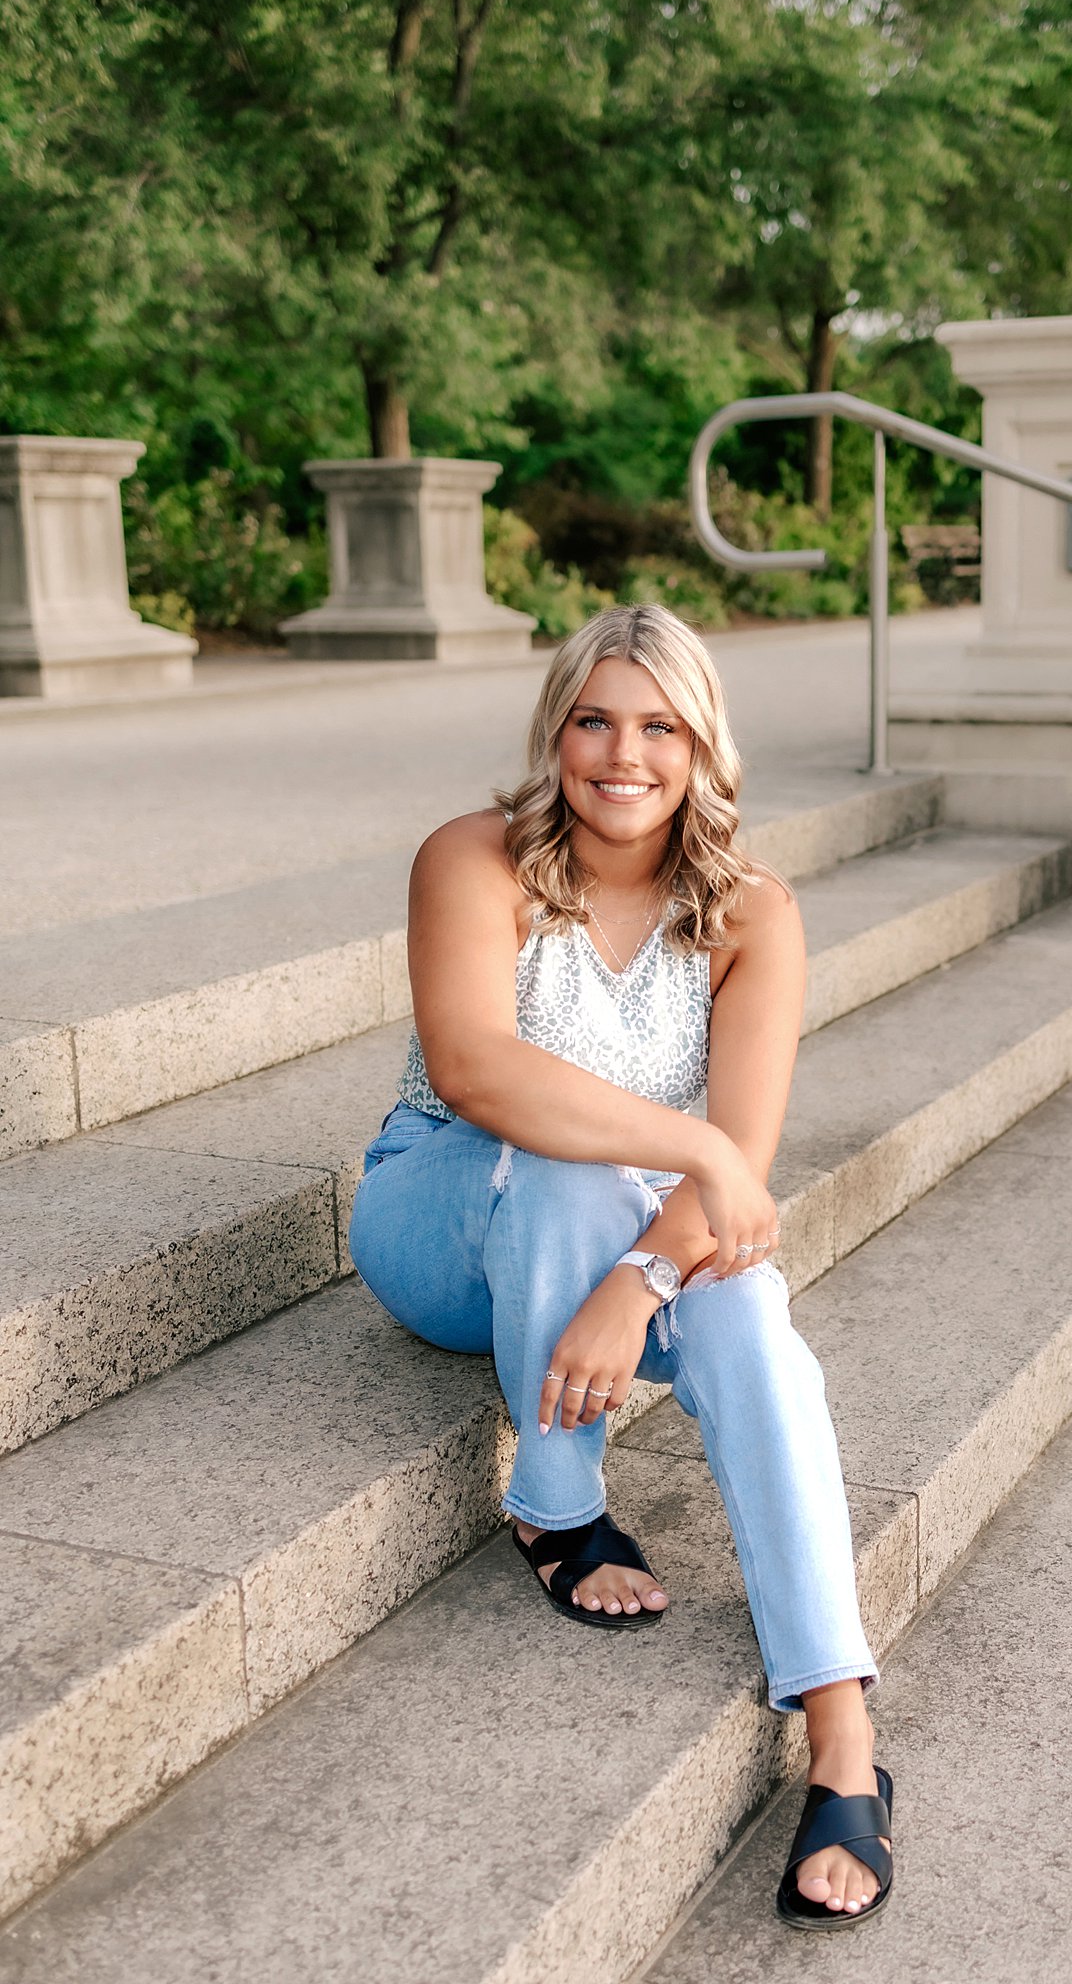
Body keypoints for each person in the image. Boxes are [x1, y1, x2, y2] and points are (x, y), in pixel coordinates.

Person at [348, 602, 892, 1929]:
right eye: (592, 718)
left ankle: (842, 1738)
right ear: (554, 731)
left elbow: (739, 1173)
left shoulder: (752, 911)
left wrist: (641, 1275)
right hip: (443, 1222)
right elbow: (481, 1071)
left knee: (753, 1322)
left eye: (658, 724)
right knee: (567, 1159)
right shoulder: (471, 859)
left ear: (704, 745)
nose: (621, 752)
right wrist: (702, 1157)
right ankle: (552, 1498)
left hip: (629, 1231)